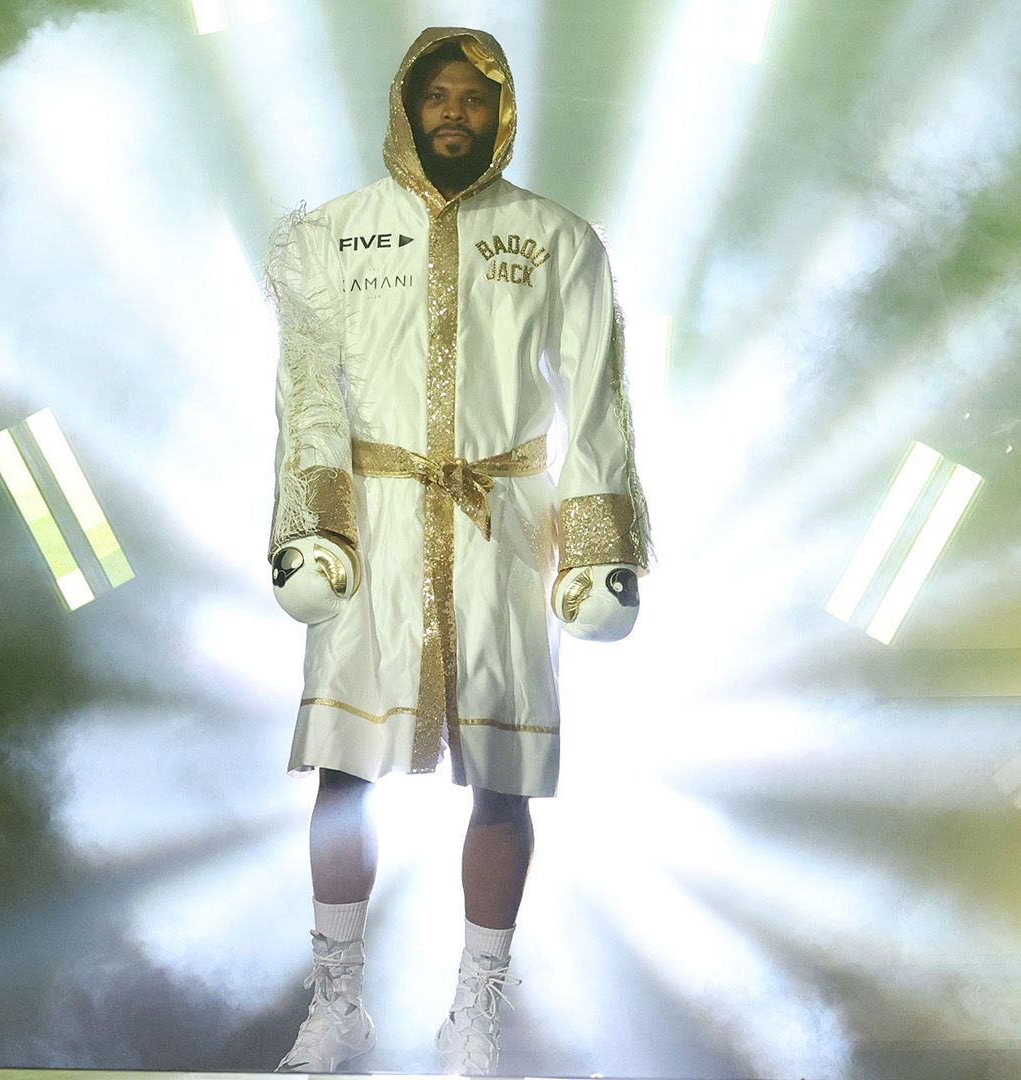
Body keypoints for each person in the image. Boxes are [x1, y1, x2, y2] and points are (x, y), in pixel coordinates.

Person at [264, 26, 652, 1075]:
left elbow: (598, 400)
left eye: (473, 97)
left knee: (504, 778)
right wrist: (311, 524)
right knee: (345, 769)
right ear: (406, 105)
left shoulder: (557, 238)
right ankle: (335, 1007)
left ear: (500, 111)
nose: (453, 111)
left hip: (503, 528)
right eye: (435, 94)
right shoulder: (331, 235)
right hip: (375, 526)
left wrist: (597, 548)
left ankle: (474, 1015)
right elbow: (307, 395)